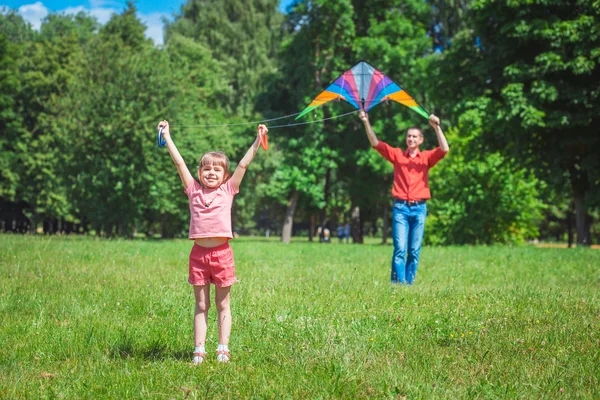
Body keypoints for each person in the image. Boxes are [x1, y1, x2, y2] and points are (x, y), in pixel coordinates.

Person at [157, 119, 267, 364]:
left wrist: (258, 141)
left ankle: (222, 348)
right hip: (198, 255)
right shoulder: (193, 190)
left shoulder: (228, 190)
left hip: (222, 255)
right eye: (206, 169)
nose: (211, 173)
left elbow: (244, 164)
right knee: (201, 304)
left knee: (222, 304)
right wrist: (168, 136)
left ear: (225, 175)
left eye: (217, 170)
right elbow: (179, 162)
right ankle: (199, 350)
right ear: (199, 173)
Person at [358, 111, 449, 285]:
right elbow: (376, 143)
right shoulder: (398, 155)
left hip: (419, 209)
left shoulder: (426, 158)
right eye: (409, 136)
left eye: (415, 136)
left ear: (421, 140)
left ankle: (409, 284)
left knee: (414, 250)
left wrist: (436, 127)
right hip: (400, 208)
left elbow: (444, 149)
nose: (411, 139)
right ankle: (398, 285)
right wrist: (366, 121)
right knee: (400, 249)